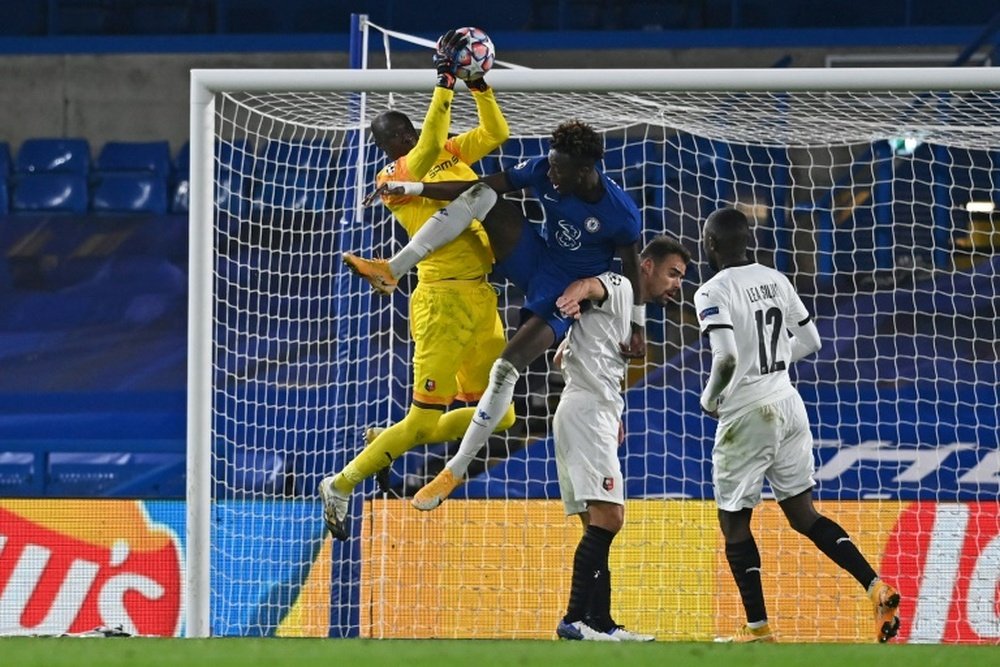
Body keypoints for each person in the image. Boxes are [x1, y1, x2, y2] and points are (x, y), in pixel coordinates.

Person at [350, 119, 649, 510]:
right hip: (532, 258)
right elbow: (481, 187)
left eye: (560, 169)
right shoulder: (546, 168)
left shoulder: (620, 214)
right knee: (481, 197)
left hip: (563, 294)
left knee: (506, 369)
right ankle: (393, 269)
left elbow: (630, 265)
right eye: (552, 165)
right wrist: (415, 188)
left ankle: (453, 472)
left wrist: (638, 326)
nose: (551, 172)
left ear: (585, 170)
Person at [319, 30, 516, 540]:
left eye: (403, 137)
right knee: (427, 420)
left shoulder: (447, 150)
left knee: (505, 414)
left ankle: (388, 439)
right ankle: (341, 484)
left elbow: (498, 132)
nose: (401, 145)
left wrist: (479, 84)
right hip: (442, 301)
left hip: (481, 296)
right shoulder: (394, 181)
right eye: (394, 142)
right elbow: (427, 150)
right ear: (388, 148)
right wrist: (444, 85)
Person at [693, 206, 902, 643]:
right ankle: (874, 586)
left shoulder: (712, 290)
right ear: (747, 241)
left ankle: (758, 628)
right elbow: (811, 341)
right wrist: (773, 363)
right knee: (804, 515)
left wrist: (710, 398)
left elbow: (726, 357)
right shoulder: (776, 279)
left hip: (747, 413)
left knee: (734, 523)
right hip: (789, 404)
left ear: (710, 244)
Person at [551, 235, 690, 642]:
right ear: (646, 266)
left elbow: (575, 350)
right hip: (587, 412)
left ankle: (600, 623)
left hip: (586, 410)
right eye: (673, 273)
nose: (677, 283)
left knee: (596, 524)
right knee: (610, 518)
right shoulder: (623, 285)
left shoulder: (629, 312)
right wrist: (570, 299)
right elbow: (588, 286)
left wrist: (613, 410)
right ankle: (574, 619)